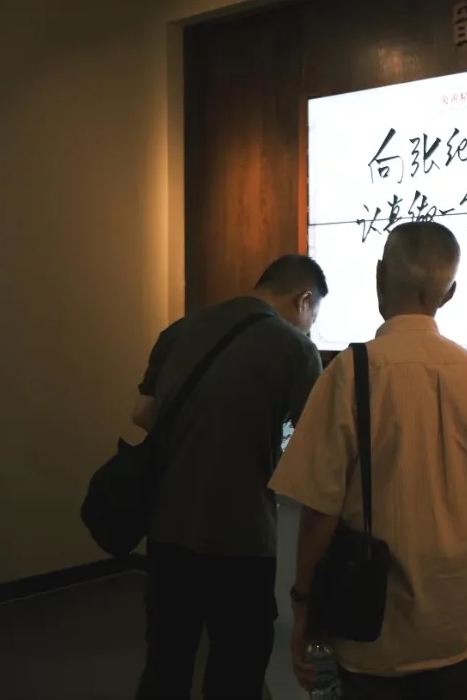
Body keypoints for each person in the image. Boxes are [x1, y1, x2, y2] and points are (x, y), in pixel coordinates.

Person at [269, 223, 467, 700]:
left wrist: (303, 606)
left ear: (379, 276)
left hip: (373, 635)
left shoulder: (349, 373)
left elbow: (320, 514)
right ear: (449, 294)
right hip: (457, 630)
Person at [133, 254, 328, 700]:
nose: (309, 329)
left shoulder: (180, 330)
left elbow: (142, 413)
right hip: (242, 539)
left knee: (166, 662)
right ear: (304, 300)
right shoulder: (295, 349)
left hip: (167, 530)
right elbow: (310, 450)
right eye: (313, 318)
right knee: (236, 671)